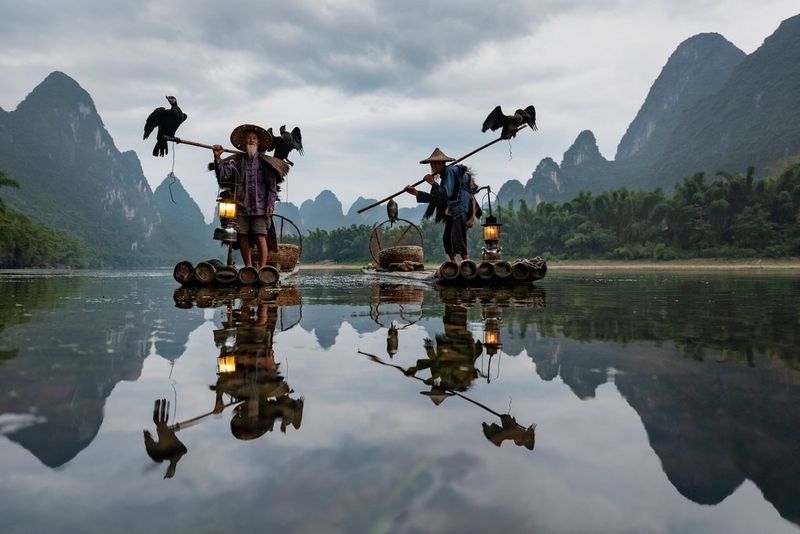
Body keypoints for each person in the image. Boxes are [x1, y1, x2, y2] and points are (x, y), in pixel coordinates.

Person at [212, 124, 289, 269]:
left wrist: (270, 204)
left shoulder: (266, 163)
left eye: (254, 138)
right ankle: (248, 267)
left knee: (260, 237)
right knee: (242, 237)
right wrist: (217, 158)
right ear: (244, 142)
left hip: (260, 207)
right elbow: (223, 175)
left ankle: (261, 268)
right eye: (248, 138)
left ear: (258, 142)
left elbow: (272, 188)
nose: (251, 141)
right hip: (242, 207)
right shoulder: (237, 161)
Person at [404, 148, 476, 263]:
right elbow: (438, 198)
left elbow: (444, 194)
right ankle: (454, 264)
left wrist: (432, 182)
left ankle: (468, 264)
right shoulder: (445, 175)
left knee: (457, 235)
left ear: (437, 163)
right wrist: (416, 193)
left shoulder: (449, 171)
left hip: (460, 206)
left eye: (432, 164)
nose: (431, 167)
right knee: (447, 237)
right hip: (453, 207)